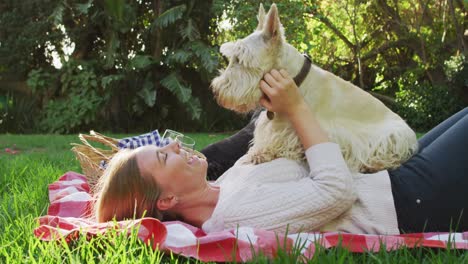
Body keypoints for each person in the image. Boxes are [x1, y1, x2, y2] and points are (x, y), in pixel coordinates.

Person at [93, 69, 468, 235]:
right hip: (412, 203)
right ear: (167, 199)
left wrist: (272, 99)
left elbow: (262, 139)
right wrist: (297, 108)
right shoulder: (235, 217)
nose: (174, 144)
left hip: (395, 181)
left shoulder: (225, 185)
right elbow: (337, 192)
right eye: (163, 156)